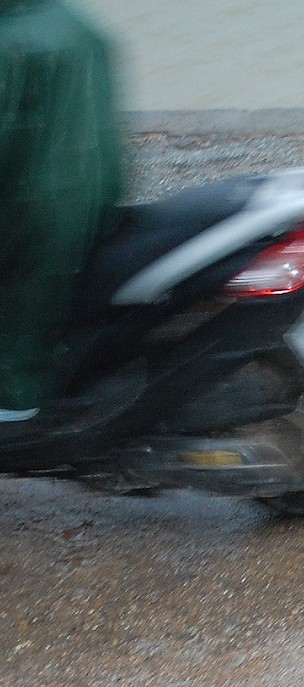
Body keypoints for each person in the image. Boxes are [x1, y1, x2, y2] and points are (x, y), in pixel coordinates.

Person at [0, 0, 122, 435]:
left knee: (19, 307)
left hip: (34, 206)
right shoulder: (73, 23)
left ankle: (14, 403)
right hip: (98, 190)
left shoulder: (9, 42)